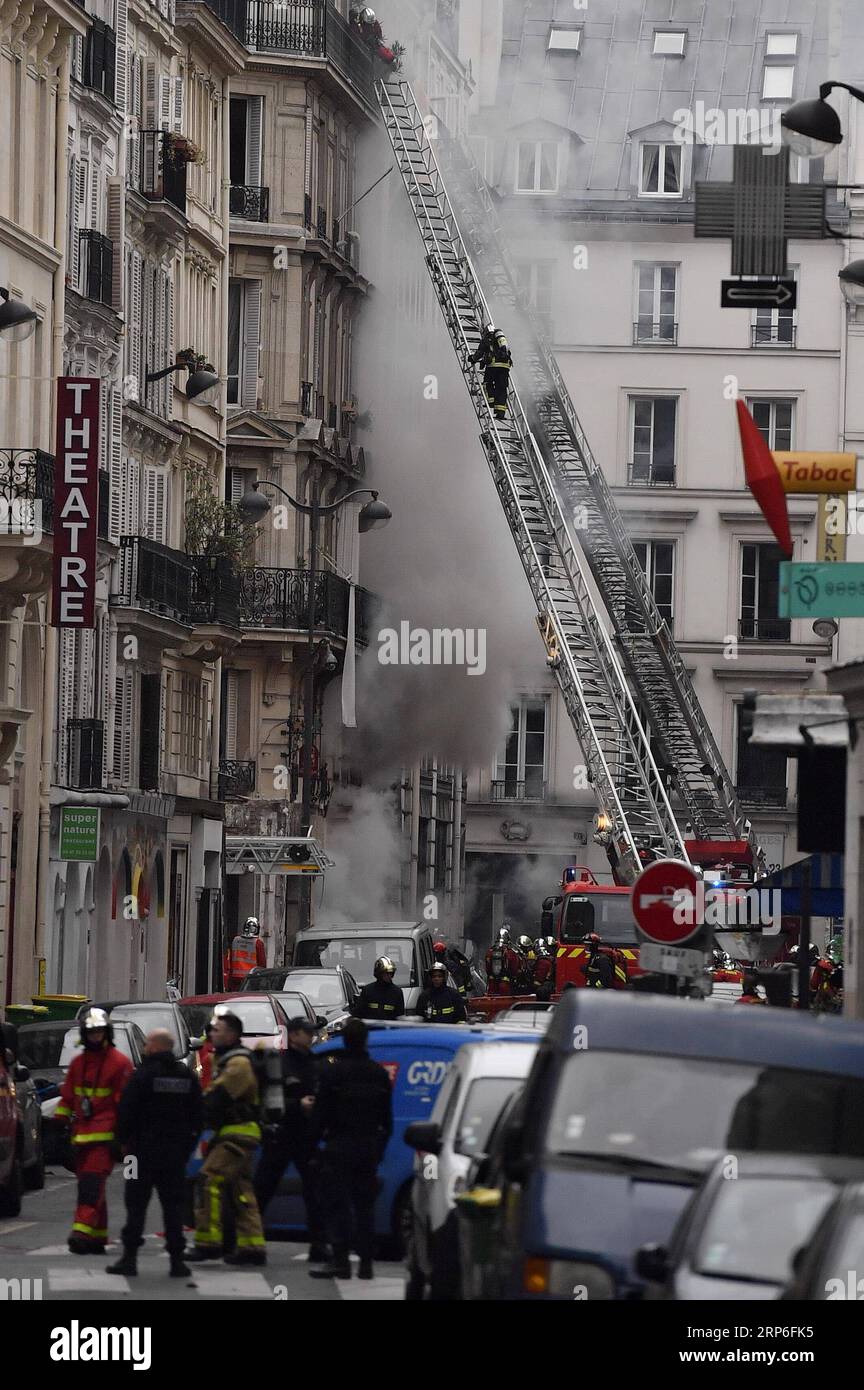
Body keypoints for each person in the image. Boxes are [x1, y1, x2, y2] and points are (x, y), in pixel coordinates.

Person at [107, 1029, 203, 1279]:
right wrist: (187, 1147)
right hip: (174, 1155)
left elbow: (126, 1112)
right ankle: (177, 1261)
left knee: (135, 1205)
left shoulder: (142, 1076)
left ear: (155, 1047)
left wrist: (121, 1142)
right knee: (173, 1207)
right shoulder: (186, 1076)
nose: (144, 1047)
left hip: (139, 1155)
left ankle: (129, 1258)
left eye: (147, 1043)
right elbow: (198, 1116)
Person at [309, 1018, 393, 1281]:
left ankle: (341, 1261)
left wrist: (314, 1145)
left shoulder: (334, 1073)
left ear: (344, 1040)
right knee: (364, 1207)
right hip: (367, 1147)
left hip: (339, 1146)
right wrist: (378, 1149)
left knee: (338, 1205)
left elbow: (320, 1115)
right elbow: (386, 1121)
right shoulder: (378, 1074)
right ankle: (366, 1264)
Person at [188, 1009, 266, 1265]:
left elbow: (216, 1099)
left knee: (208, 1180)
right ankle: (252, 1247)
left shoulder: (238, 1065)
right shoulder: (229, 1060)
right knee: (240, 1189)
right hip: (237, 1133)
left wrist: (194, 1115)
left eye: (217, 1030)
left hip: (237, 1134)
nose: (211, 1034)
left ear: (232, 1034)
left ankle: (208, 1242)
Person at [56, 1008, 134, 1254]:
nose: (95, 1036)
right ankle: (98, 1237)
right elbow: (68, 1098)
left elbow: (126, 1105)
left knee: (90, 1185)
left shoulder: (120, 1063)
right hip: (80, 1137)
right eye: (91, 1032)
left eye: (99, 1031)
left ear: (106, 1033)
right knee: (92, 1185)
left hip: (105, 1140)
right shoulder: (78, 1063)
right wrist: (58, 1124)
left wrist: (121, 1139)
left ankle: (80, 1233)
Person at [253, 1016, 329, 1264]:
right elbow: (266, 1102)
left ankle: (319, 1245)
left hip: (306, 1137)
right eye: (308, 1033)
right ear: (294, 1035)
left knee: (315, 1193)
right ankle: (245, 1241)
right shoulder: (278, 1063)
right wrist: (298, 1105)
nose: (312, 1037)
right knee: (263, 1189)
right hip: (281, 1134)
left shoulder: (316, 1063)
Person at [469, 322, 512, 420]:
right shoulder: (500, 337)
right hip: (505, 366)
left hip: (493, 366)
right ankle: (500, 413)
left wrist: (472, 359)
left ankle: (491, 401)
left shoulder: (486, 339)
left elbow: (479, 353)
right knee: (502, 389)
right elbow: (505, 348)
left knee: (487, 384)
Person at [352, 957, 405, 1021]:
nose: (389, 976)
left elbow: (400, 1016)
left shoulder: (397, 992)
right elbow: (358, 1014)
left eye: (391, 973)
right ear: (379, 974)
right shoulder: (368, 990)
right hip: (371, 1029)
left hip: (390, 1029)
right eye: (386, 973)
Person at [226, 916, 266, 991]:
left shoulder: (235, 940)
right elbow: (262, 965)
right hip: (251, 980)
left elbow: (230, 960)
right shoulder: (258, 943)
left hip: (235, 979)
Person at [485, 926, 520, 996]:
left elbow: (488, 968)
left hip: (492, 983)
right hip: (505, 984)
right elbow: (514, 969)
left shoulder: (490, 951)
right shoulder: (511, 952)